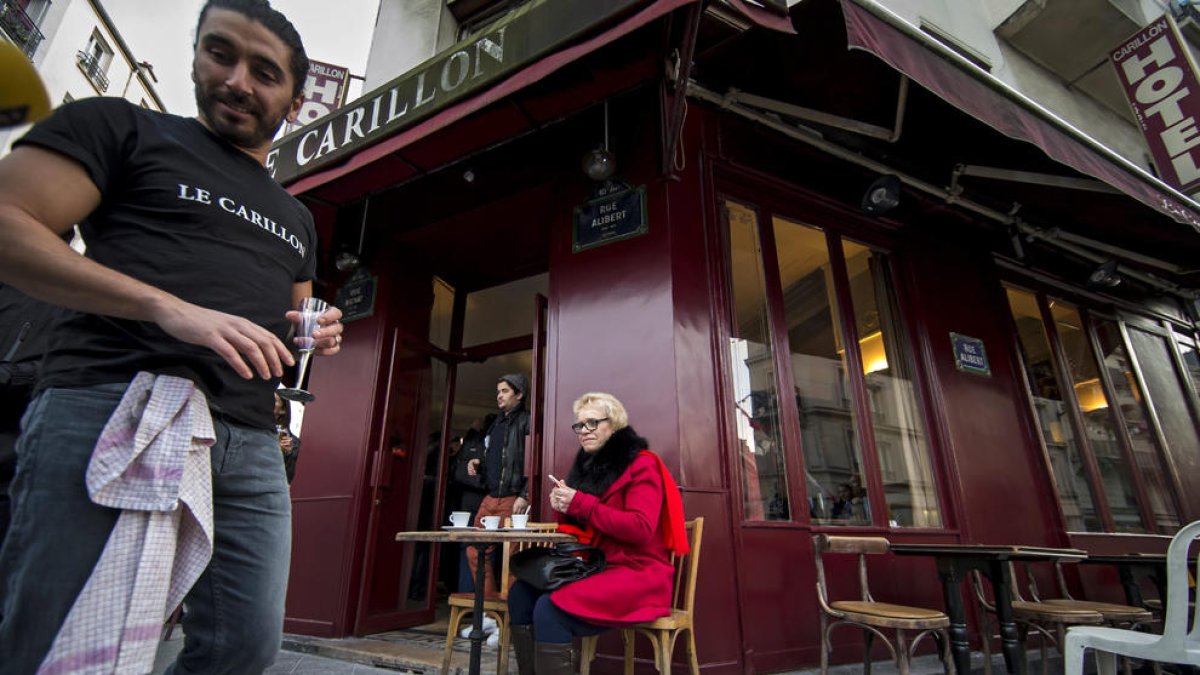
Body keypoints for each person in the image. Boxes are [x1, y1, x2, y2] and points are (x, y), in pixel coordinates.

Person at [0, 1, 345, 672]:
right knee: (55, 637)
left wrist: (319, 332)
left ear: (296, 100)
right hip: (105, 397)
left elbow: (298, 325)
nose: (239, 81)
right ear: (196, 56)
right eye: (222, 54)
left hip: (246, 441)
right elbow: (10, 223)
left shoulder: (297, 217)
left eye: (264, 71)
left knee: (245, 644)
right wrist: (164, 306)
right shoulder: (121, 126)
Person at [507, 392, 688, 675]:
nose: (584, 431)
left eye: (592, 423)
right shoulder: (590, 467)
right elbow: (587, 529)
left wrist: (580, 502)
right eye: (580, 425)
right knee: (520, 592)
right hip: (600, 568)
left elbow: (640, 529)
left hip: (639, 573)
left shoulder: (642, 464)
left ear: (614, 425)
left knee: (549, 608)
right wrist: (565, 507)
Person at [465, 373, 531, 595]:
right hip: (491, 496)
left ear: (519, 394)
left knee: (513, 556)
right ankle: (490, 612)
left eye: (504, 391)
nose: (499, 396)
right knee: (475, 550)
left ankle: (509, 613)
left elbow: (535, 460)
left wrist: (526, 494)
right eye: (498, 392)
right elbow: (495, 456)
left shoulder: (527, 421)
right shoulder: (495, 423)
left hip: (513, 498)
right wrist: (479, 463)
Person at [275, 393, 301, 484]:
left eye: (273, 400)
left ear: (282, 410)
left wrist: (288, 454)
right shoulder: (255, 430)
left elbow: (288, 478)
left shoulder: (293, 442)